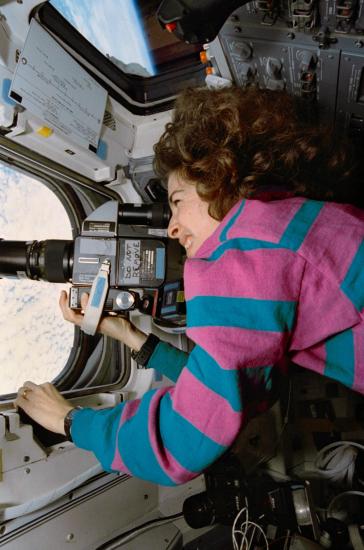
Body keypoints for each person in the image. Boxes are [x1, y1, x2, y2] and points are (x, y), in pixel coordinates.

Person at [15, 86, 364, 486]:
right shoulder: (281, 224)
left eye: (177, 201)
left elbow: (181, 443)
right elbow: (240, 389)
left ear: (219, 174)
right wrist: (133, 338)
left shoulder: (244, 255)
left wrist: (69, 420)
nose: (174, 226)